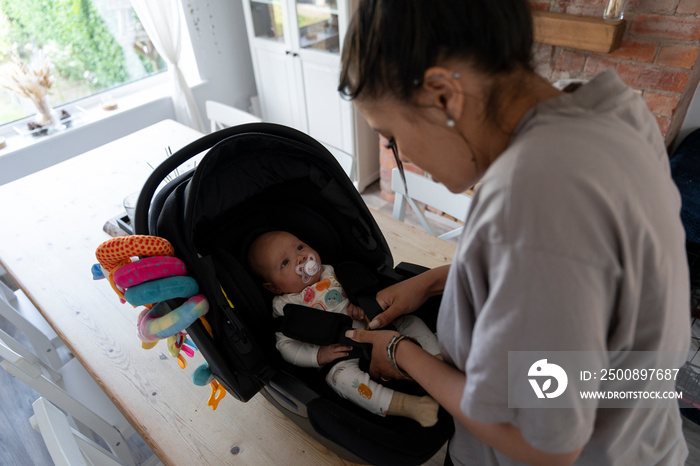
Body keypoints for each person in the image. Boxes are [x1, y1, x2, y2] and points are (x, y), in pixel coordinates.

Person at [338, 1, 690, 465]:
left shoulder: (535, 197)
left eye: (392, 138)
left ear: (443, 94)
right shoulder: (608, 108)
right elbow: (580, 278)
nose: (404, 155)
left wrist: (403, 354)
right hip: (643, 430)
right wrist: (437, 278)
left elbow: (545, 443)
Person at [247, 230, 442, 426]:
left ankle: (438, 360)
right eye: (285, 263)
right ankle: (406, 405)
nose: (301, 257)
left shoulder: (332, 272)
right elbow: (285, 346)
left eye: (300, 247)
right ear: (274, 288)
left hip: (375, 324)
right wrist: (318, 356)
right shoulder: (285, 307)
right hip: (344, 352)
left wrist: (360, 304)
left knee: (410, 320)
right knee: (340, 379)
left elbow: (359, 290)